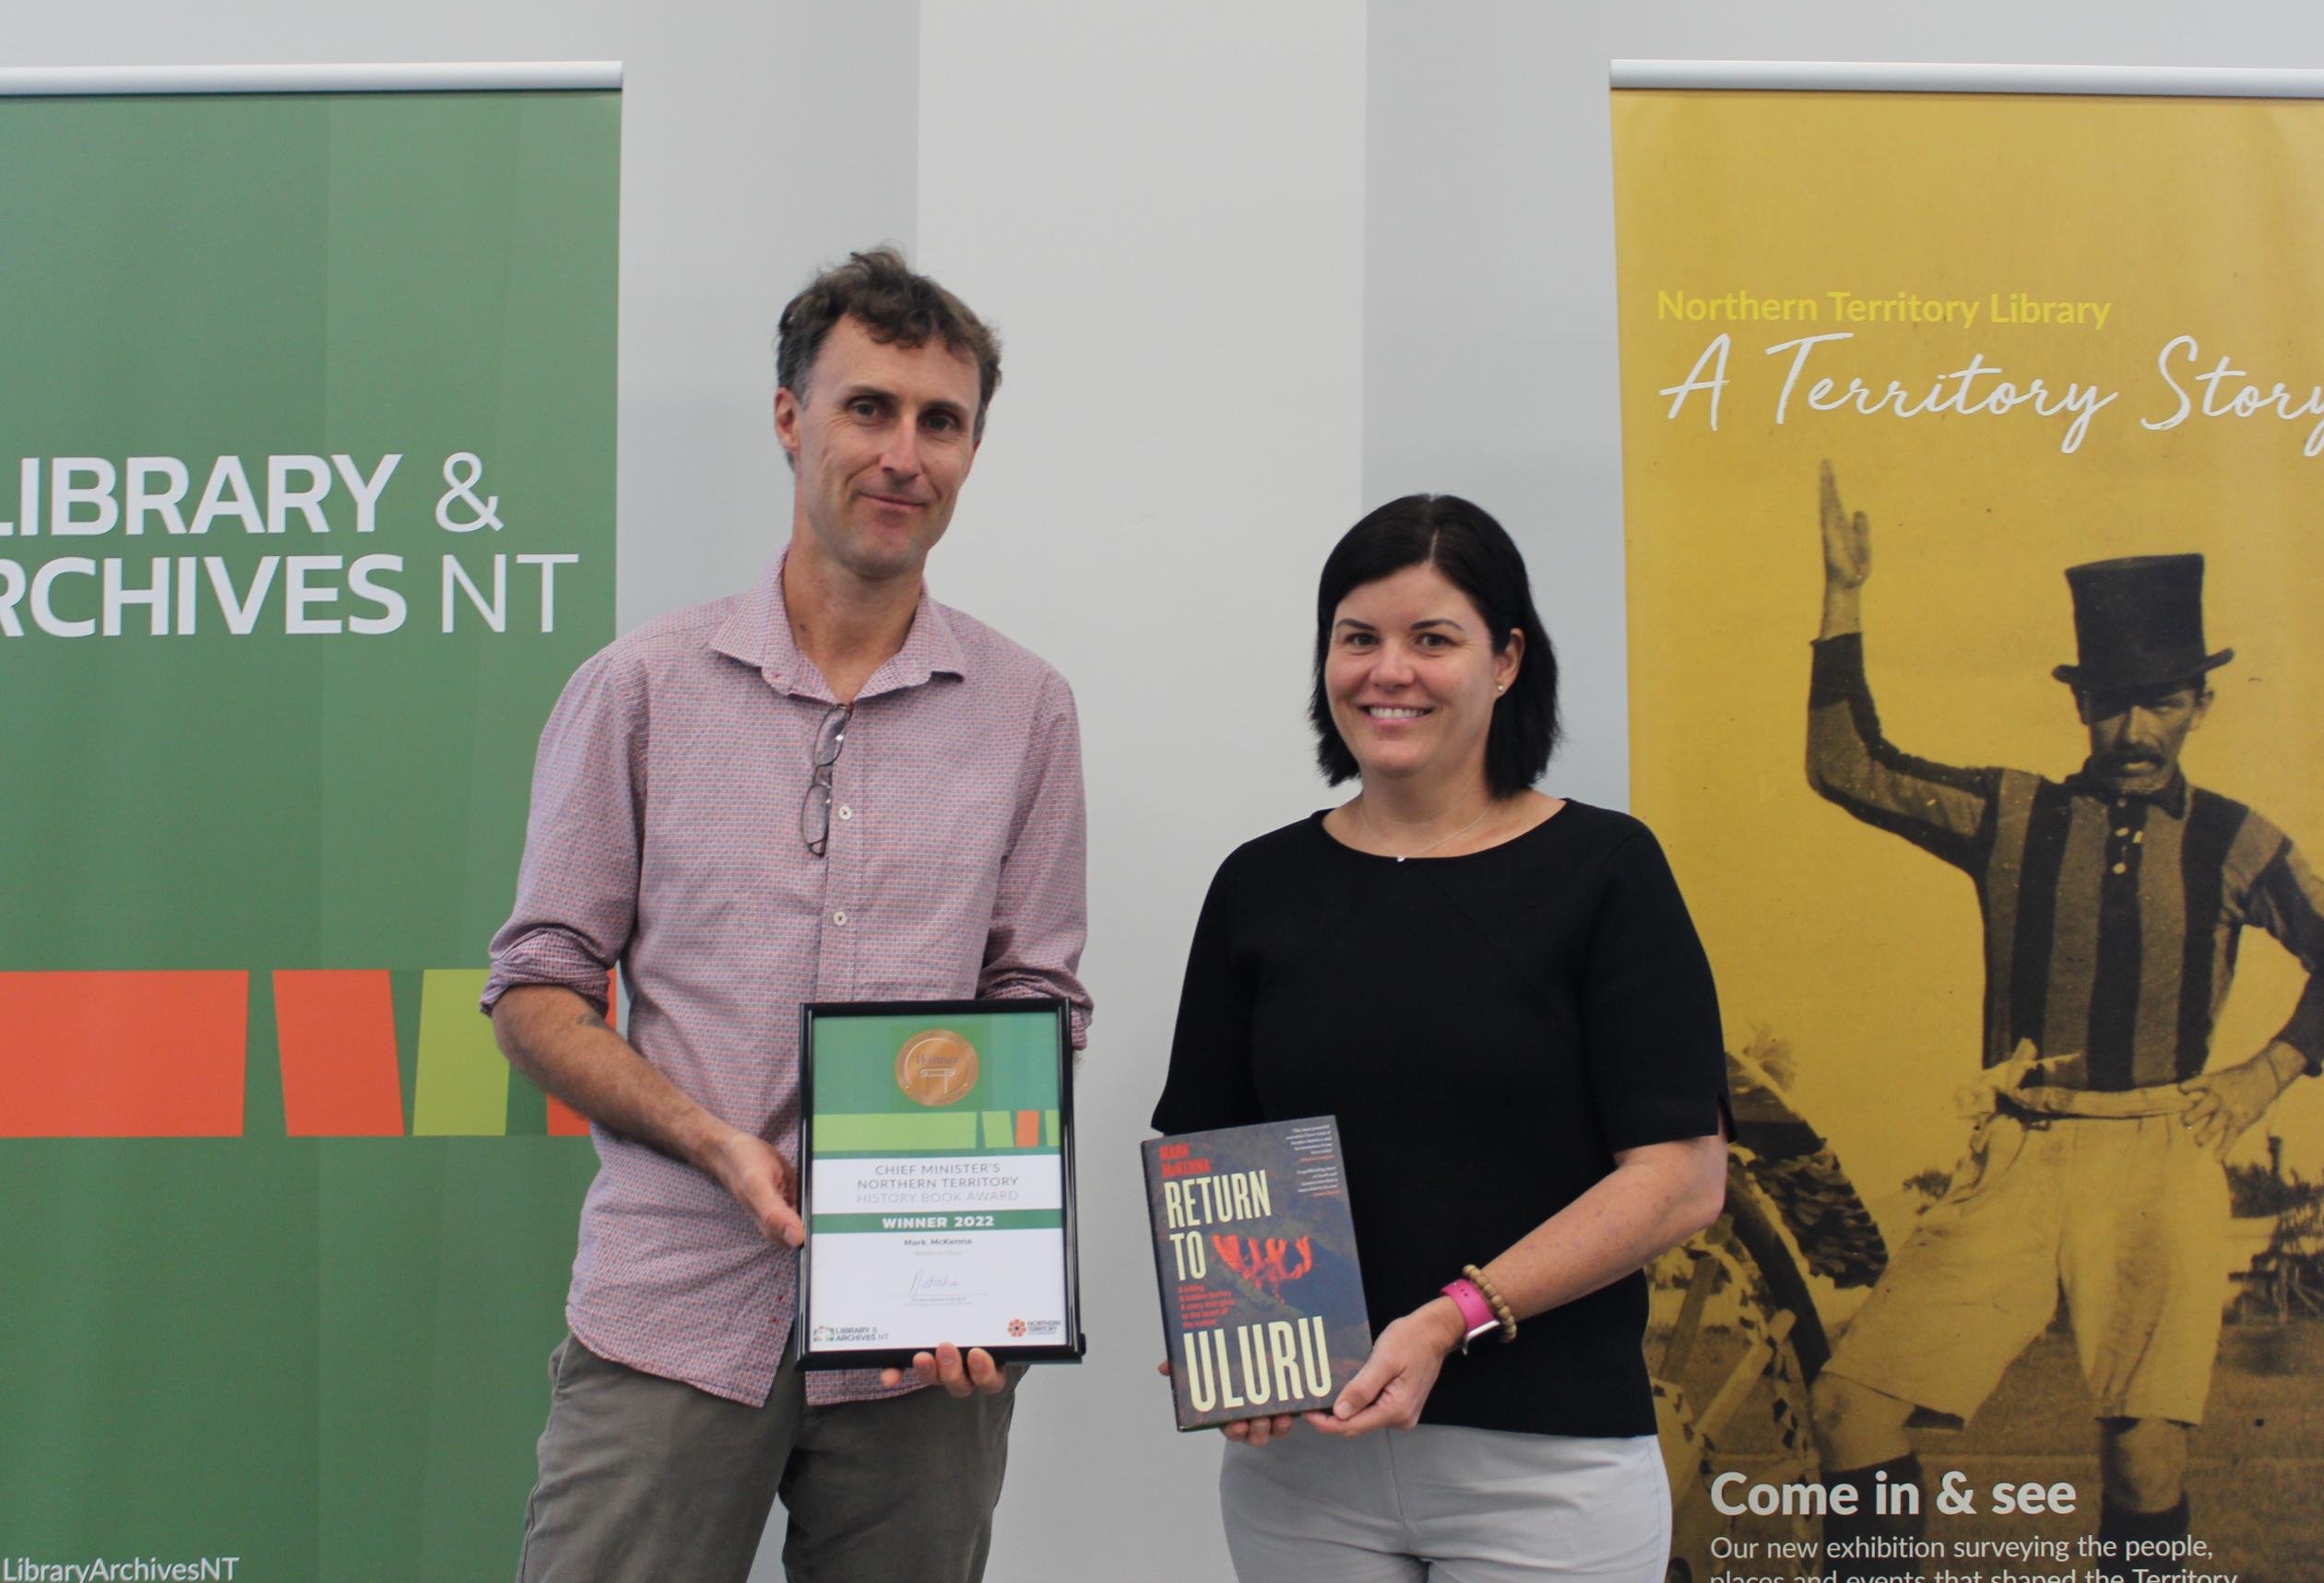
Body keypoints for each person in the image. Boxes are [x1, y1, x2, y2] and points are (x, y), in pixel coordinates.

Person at [483, 248, 1091, 1583]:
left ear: (974, 448)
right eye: (867, 407)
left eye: (943, 421)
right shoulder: (640, 685)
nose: (904, 453)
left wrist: (989, 1254)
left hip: (927, 1350)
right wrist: (710, 1140)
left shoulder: (1026, 709)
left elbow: (1037, 1001)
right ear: (788, 418)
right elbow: (536, 985)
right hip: (674, 1311)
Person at [1806, 463, 2324, 1577]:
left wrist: (2269, 1073)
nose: (2137, 727)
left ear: (2201, 706)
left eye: (2165, 701)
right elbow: (1846, 765)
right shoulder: (2014, 812)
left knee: (2147, 1468)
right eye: (2116, 700)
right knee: (1852, 1411)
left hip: (2163, 1162)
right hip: (2018, 1158)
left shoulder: (2235, 840)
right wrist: (1845, 599)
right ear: (2079, 701)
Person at [1151, 492, 1732, 1582]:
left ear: (1507, 660)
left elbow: (1682, 1180)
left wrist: (1448, 1320)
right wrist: (1230, 1331)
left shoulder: (1606, 873)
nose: (1389, 672)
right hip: (1305, 1473)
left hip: (1548, 1469)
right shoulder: (1259, 885)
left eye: (1434, 640)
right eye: (1358, 638)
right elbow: (1215, 1156)